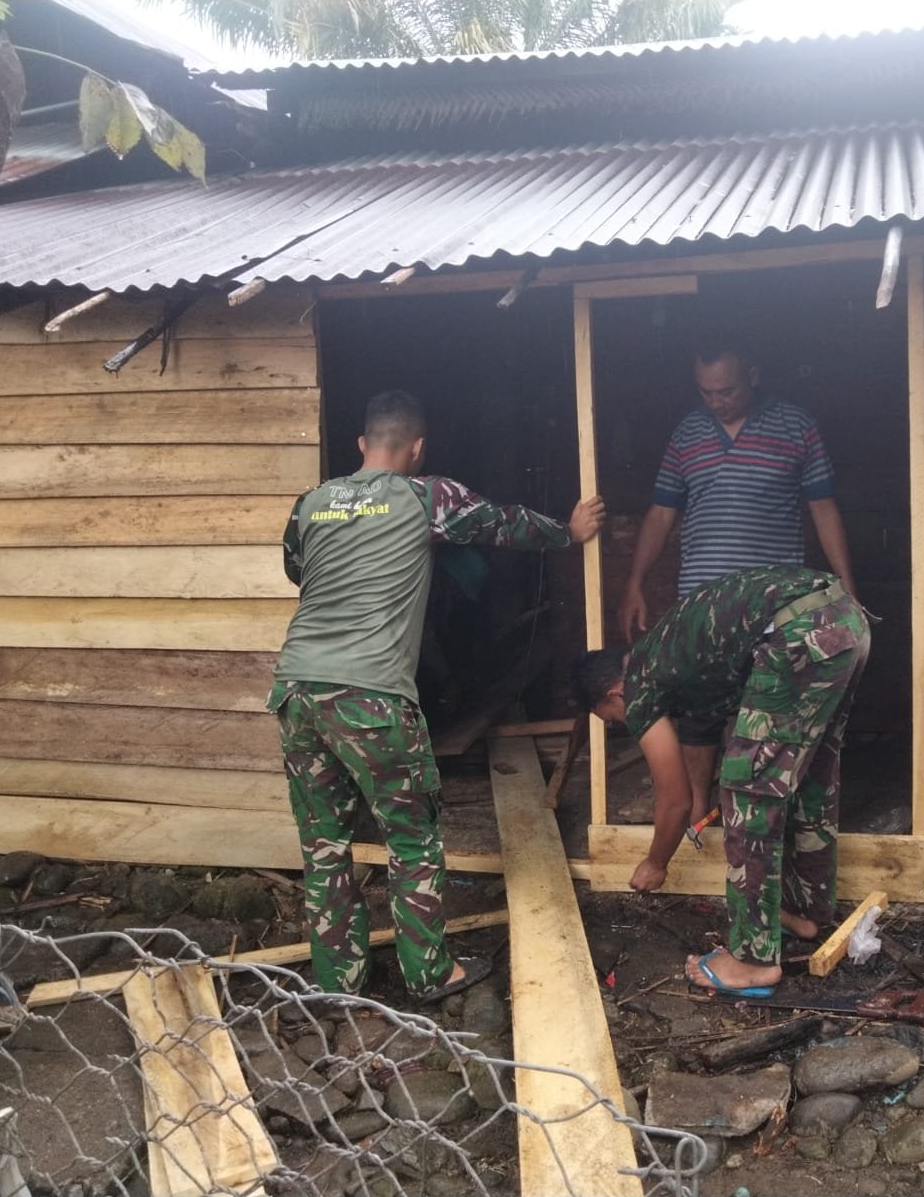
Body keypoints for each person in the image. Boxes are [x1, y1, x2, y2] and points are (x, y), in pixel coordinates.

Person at [269, 390, 605, 1003]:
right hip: (371, 695)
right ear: (418, 448)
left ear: (362, 444)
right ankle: (429, 974)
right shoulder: (428, 497)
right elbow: (504, 525)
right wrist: (569, 531)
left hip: (297, 690)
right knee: (411, 838)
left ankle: (338, 980)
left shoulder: (311, 503)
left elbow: (297, 569)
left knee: (323, 845)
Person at [574, 565, 871, 997]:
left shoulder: (639, 683)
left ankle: (752, 962)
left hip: (799, 633)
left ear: (614, 694)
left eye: (612, 719)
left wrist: (656, 863)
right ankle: (804, 911)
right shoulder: (670, 654)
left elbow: (674, 800)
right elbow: (698, 742)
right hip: (845, 620)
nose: (625, 724)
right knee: (810, 776)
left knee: (748, 789)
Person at [617, 335, 858, 825]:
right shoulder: (688, 433)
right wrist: (634, 583)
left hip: (771, 608)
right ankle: (695, 813)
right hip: (701, 606)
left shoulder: (796, 427)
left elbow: (822, 508)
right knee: (699, 710)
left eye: (725, 391)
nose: (716, 402)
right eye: (706, 392)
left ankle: (754, 816)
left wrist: (845, 585)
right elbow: (662, 513)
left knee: (766, 705)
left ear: (753, 375)